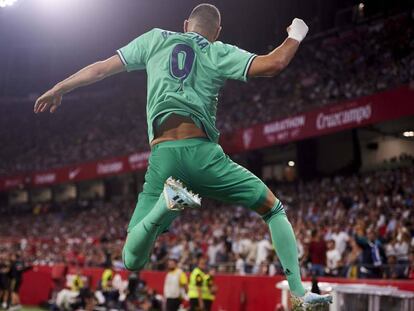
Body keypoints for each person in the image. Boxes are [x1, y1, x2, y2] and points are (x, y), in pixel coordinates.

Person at [34, 3, 332, 306]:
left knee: (132, 259)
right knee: (273, 210)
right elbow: (275, 63)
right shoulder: (218, 51)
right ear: (216, 32)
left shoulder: (154, 39)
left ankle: (166, 205)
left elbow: (100, 68)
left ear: (186, 23)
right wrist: (296, 32)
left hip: (163, 156)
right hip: (205, 156)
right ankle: (298, 293)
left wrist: (60, 87)